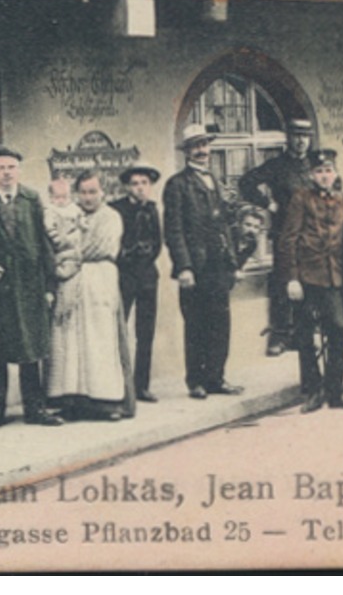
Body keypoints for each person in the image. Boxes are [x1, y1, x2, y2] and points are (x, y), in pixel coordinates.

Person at [0, 146, 62, 430]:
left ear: (18, 170)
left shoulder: (31, 199)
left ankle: (34, 409)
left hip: (29, 284)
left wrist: (49, 286)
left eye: (11, 167)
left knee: (30, 348)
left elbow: (44, 242)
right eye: (1, 168)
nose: (7, 173)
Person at [278, 148, 343, 413]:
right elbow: (288, 240)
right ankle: (313, 391)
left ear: (335, 173)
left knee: (338, 328)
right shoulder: (300, 198)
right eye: (319, 171)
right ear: (311, 174)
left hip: (332, 276)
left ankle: (335, 393)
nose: (324, 176)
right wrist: (292, 279)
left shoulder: (341, 199)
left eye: (328, 171)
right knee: (306, 334)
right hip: (306, 277)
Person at [163, 123, 253, 400]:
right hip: (196, 268)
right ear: (187, 152)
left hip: (219, 266)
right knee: (196, 325)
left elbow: (225, 226)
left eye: (204, 145)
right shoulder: (177, 185)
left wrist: (234, 264)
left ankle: (216, 377)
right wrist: (184, 267)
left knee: (220, 324)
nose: (201, 151)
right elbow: (174, 230)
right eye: (195, 146)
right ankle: (196, 381)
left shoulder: (215, 180)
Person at [46, 172, 132, 421]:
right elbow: (54, 243)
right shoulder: (69, 215)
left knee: (99, 338)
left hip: (99, 279)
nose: (88, 197)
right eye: (83, 192)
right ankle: (72, 400)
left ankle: (106, 402)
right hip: (71, 280)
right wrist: (66, 253)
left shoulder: (111, 217)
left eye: (93, 192)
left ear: (102, 193)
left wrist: (67, 253)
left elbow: (99, 247)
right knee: (69, 340)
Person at [239, 118, 315, 354]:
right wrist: (268, 203)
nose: (301, 141)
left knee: (310, 282)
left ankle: (305, 332)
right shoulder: (277, 165)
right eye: (296, 136)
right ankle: (279, 336)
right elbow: (246, 182)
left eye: (305, 136)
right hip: (285, 233)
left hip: (312, 234)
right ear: (288, 138)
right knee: (283, 281)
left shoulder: (315, 165)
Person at [110, 162, 163, 403]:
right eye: (135, 184)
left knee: (146, 333)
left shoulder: (152, 209)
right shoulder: (116, 210)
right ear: (127, 187)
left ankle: (142, 386)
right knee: (118, 332)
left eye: (144, 183)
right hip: (124, 278)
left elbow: (158, 244)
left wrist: (145, 258)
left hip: (148, 278)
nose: (140, 188)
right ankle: (118, 386)